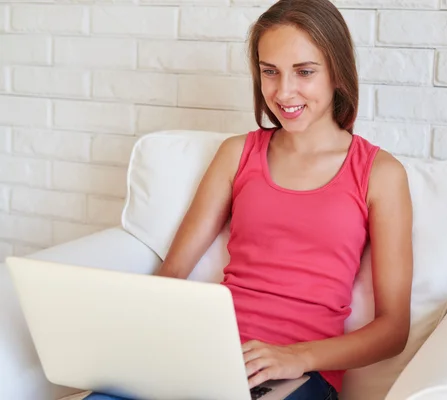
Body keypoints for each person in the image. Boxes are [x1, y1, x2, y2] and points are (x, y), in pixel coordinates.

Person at [85, 0, 413, 398]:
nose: (283, 91)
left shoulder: (380, 174)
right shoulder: (236, 154)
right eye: (269, 72)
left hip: (300, 376)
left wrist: (297, 358)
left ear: (337, 73)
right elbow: (171, 276)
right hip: (210, 357)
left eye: (304, 72)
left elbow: (393, 329)